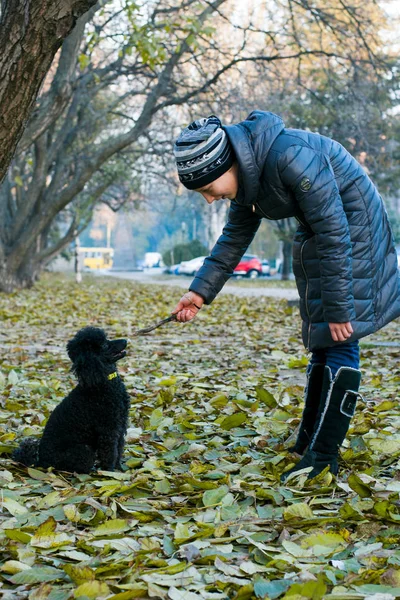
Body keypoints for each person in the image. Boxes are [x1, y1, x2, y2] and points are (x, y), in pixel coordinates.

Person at [171, 112, 400, 480]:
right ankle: (307, 442)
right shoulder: (248, 178)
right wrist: (198, 293)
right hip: (323, 234)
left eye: (208, 188)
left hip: (354, 232)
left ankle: (323, 457)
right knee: (322, 341)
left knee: (340, 337)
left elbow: (335, 230)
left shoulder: (290, 155)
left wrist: (343, 310)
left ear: (224, 164)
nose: (210, 199)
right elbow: (233, 241)